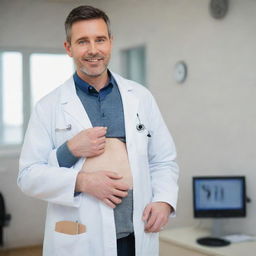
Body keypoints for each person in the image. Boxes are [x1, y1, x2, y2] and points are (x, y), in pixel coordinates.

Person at [17, 5, 179, 256]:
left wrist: (164, 201)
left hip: (137, 235)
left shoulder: (140, 97)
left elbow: (163, 159)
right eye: (83, 41)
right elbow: (28, 176)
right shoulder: (48, 106)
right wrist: (78, 170)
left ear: (111, 42)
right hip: (82, 240)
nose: (93, 50)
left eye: (100, 39)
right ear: (68, 48)